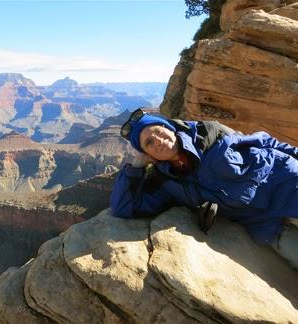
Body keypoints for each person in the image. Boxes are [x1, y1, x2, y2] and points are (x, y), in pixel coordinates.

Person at [110, 108, 298, 268]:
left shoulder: (209, 134)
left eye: (158, 131)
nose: (158, 140)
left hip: (288, 184)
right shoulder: (166, 182)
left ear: (170, 128)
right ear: (148, 154)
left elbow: (265, 142)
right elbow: (123, 208)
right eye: (148, 143)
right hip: (266, 224)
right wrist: (137, 166)